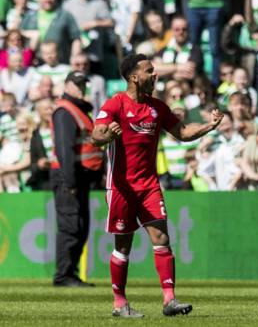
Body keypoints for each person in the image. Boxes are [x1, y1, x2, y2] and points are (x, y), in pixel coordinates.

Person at [91, 54, 224, 317]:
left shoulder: (157, 107)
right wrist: (108, 134)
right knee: (123, 247)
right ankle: (119, 303)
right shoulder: (116, 103)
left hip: (149, 185)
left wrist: (209, 126)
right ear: (133, 77)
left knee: (162, 238)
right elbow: (96, 135)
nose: (155, 74)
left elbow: (183, 132)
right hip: (121, 187)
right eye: (149, 70)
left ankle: (169, 300)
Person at [50, 71, 104, 287]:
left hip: (80, 177)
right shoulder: (65, 111)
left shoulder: (79, 110)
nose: (81, 88)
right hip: (68, 177)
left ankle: (69, 273)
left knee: (80, 226)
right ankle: (63, 275)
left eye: (84, 84)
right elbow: (65, 150)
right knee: (71, 226)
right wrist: (70, 182)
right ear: (66, 85)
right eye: (77, 84)